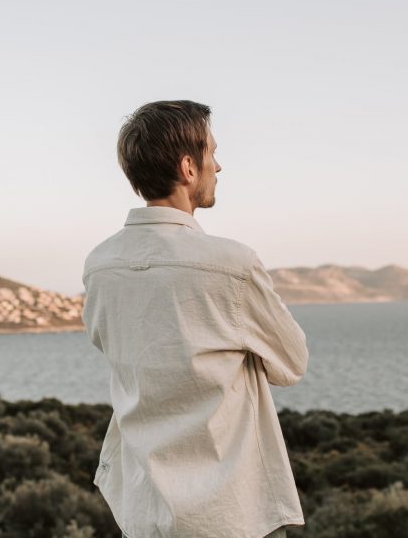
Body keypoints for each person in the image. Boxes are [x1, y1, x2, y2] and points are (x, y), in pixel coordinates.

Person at [81, 100, 309, 537]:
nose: (218, 166)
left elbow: (109, 345)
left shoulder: (99, 266)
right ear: (188, 167)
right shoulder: (231, 264)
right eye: (212, 152)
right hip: (231, 515)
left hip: (143, 511)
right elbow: (293, 363)